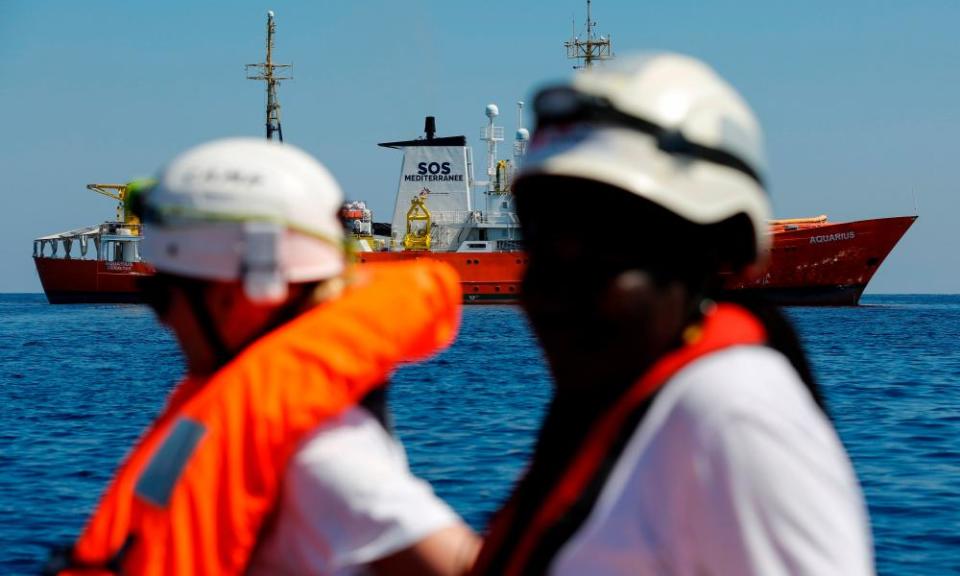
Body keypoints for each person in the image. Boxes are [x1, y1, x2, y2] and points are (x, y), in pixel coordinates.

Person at [471, 54, 874, 575]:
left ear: (712, 250)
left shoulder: (734, 420)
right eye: (541, 250)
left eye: (598, 257)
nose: (548, 294)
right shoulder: (614, 405)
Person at [47, 138, 479, 576]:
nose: (165, 321)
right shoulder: (247, 415)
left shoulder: (322, 457)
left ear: (239, 297)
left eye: (161, 296)